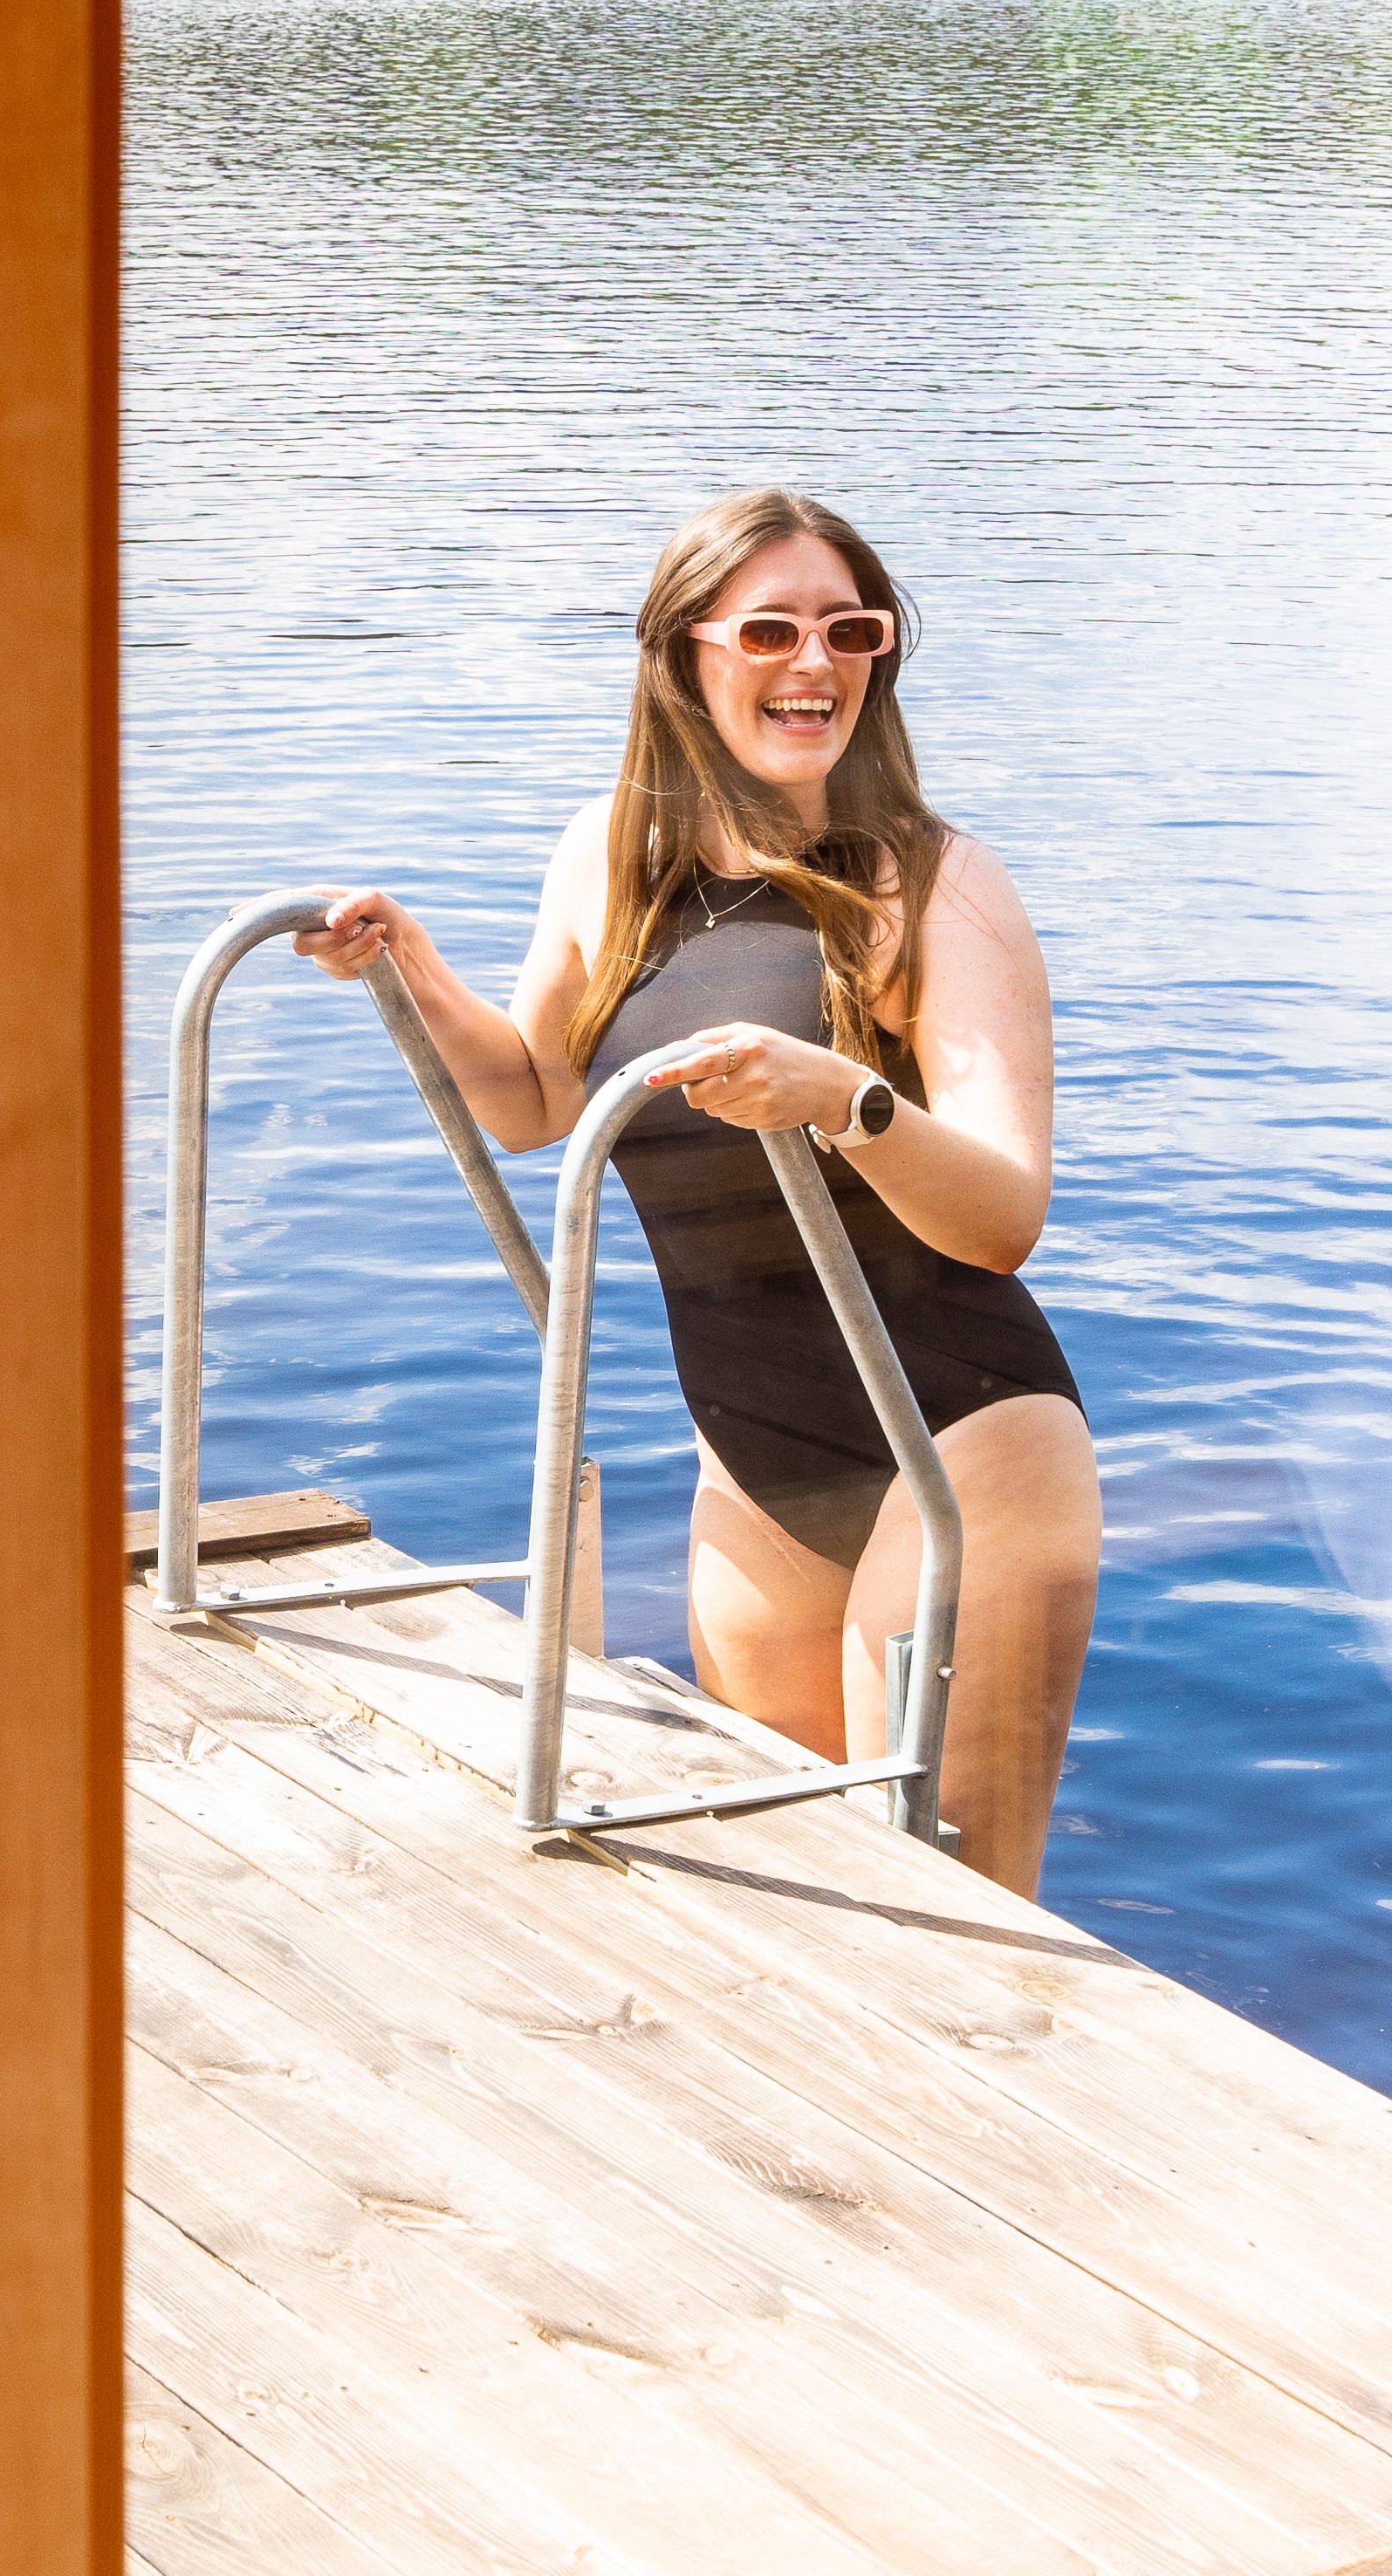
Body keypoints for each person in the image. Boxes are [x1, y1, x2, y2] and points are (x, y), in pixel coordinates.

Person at [302, 488, 1100, 1894]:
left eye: (849, 630)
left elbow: (1001, 1211)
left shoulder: (933, 883)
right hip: (755, 1458)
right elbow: (538, 1101)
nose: (815, 662)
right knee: (782, 1887)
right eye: (772, 629)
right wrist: (412, 973)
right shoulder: (608, 857)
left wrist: (845, 1099)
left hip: (963, 1449)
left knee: (950, 1906)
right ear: (683, 655)